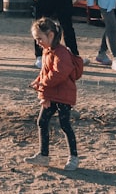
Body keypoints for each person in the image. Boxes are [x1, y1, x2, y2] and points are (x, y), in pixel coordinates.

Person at [25, 16, 81, 171]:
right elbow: (45, 72)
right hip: (52, 94)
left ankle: (73, 157)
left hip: (64, 95)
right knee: (42, 122)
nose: (38, 42)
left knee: (65, 125)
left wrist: (42, 87)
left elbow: (57, 74)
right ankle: (43, 155)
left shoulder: (61, 53)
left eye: (39, 38)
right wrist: (39, 82)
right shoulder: (47, 51)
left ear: (50, 35)